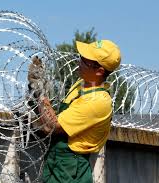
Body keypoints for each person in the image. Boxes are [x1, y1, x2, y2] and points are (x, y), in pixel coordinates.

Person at [29, 40, 121, 183]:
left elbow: (52, 126)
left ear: (99, 71)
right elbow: (55, 117)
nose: (79, 62)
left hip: (70, 171)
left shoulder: (98, 101)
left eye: (85, 61)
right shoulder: (81, 85)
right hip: (57, 163)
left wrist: (40, 92)